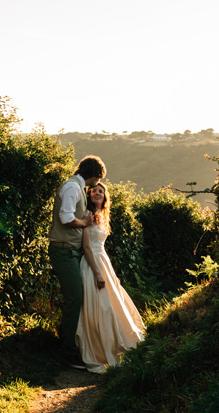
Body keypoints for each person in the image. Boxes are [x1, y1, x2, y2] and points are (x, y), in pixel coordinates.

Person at [76, 182, 146, 373]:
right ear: (89, 196)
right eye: (93, 191)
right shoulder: (88, 215)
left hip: (103, 261)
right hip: (92, 264)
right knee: (101, 307)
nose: (97, 193)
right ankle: (100, 350)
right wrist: (98, 273)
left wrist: (109, 273)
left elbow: (101, 246)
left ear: (105, 196)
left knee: (112, 303)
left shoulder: (103, 216)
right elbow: (87, 246)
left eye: (101, 191)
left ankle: (118, 343)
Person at [49, 155, 106, 369]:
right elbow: (66, 218)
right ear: (94, 175)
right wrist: (84, 222)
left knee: (76, 297)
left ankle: (69, 342)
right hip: (63, 250)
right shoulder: (73, 188)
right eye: (97, 179)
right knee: (75, 297)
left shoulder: (77, 187)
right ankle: (66, 351)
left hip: (70, 251)